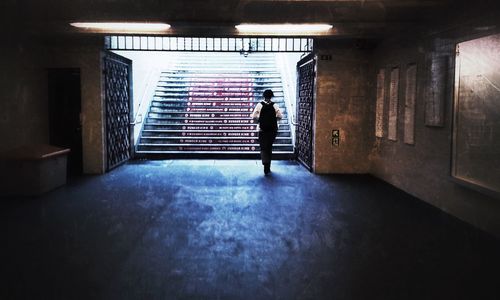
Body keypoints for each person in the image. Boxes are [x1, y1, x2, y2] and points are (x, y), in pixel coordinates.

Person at [251, 89, 283, 175]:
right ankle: (268, 166)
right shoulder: (274, 105)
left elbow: (254, 117)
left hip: (262, 130)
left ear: (264, 96)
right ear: (271, 96)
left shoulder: (259, 105)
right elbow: (280, 116)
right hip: (272, 130)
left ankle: (265, 163)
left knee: (263, 147)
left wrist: (260, 121)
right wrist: (273, 120)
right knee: (269, 147)